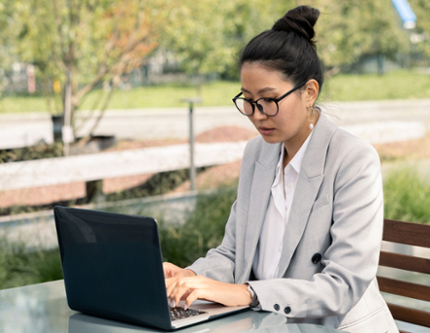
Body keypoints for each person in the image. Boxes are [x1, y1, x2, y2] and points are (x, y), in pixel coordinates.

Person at [163, 6, 399, 333]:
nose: (257, 115)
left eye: (268, 100)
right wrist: (192, 277)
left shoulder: (353, 160)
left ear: (309, 92)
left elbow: (341, 286)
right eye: (247, 100)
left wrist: (247, 293)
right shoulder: (258, 154)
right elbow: (233, 253)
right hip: (266, 324)